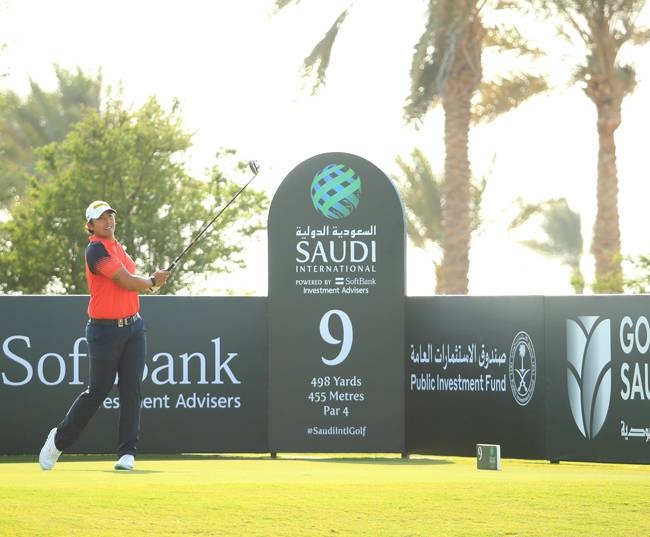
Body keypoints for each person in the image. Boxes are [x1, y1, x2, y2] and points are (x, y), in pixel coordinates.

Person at [39, 200, 171, 471]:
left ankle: (126, 454)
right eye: (101, 218)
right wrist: (152, 282)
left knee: (131, 389)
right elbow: (123, 280)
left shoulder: (118, 246)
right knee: (97, 391)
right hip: (104, 331)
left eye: (110, 215)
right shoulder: (95, 251)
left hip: (134, 327)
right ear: (90, 225)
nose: (108, 221)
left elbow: (130, 282)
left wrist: (150, 281)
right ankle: (58, 441)